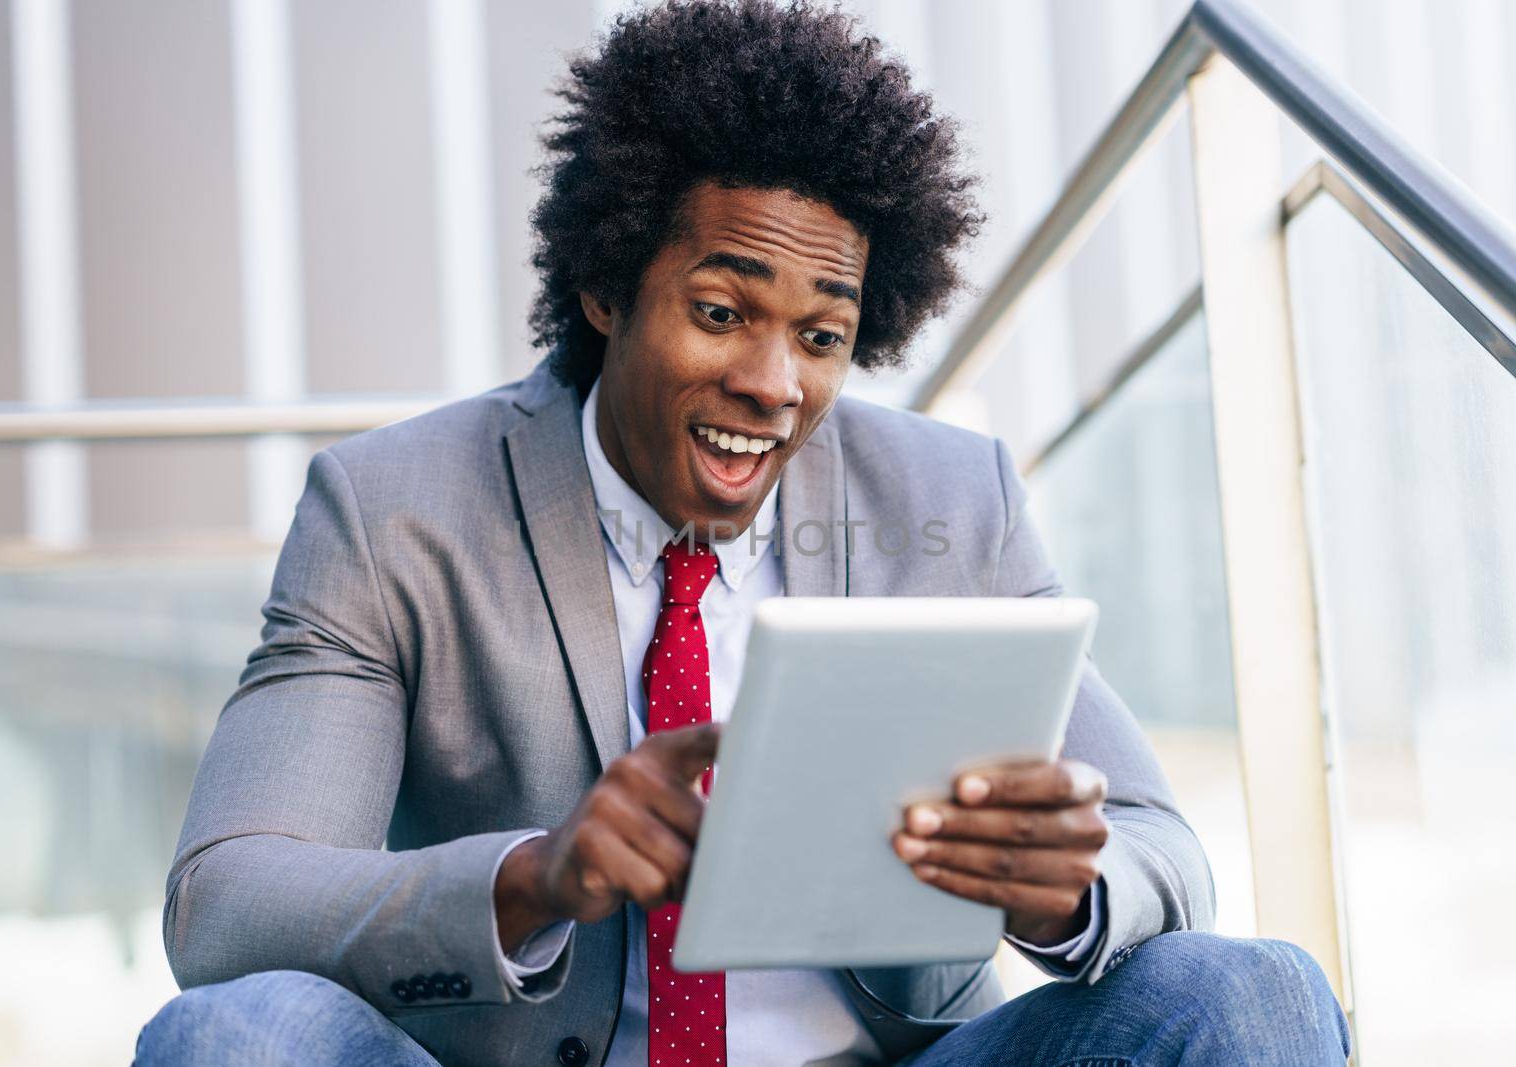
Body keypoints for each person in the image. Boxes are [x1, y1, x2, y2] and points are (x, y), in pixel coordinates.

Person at [135, 2, 1349, 1064]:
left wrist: (1061, 891)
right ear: (607, 286)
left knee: (1254, 991)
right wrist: (534, 876)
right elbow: (229, 902)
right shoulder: (395, 509)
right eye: (721, 312)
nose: (776, 383)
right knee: (234, 1038)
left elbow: (1160, 852)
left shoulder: (948, 497)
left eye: (821, 336)